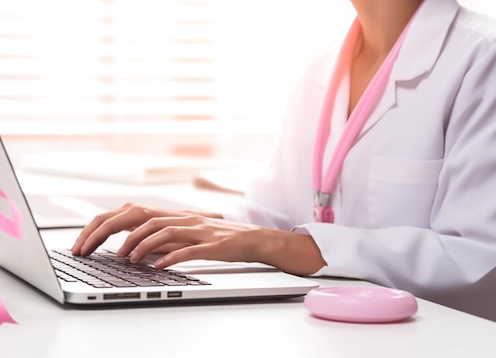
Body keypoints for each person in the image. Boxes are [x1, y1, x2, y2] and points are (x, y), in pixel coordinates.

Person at [72, 0, 496, 321]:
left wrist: (272, 243)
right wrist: (182, 224)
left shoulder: (482, 57)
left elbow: (478, 259)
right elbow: (274, 213)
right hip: (324, 330)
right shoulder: (324, 65)